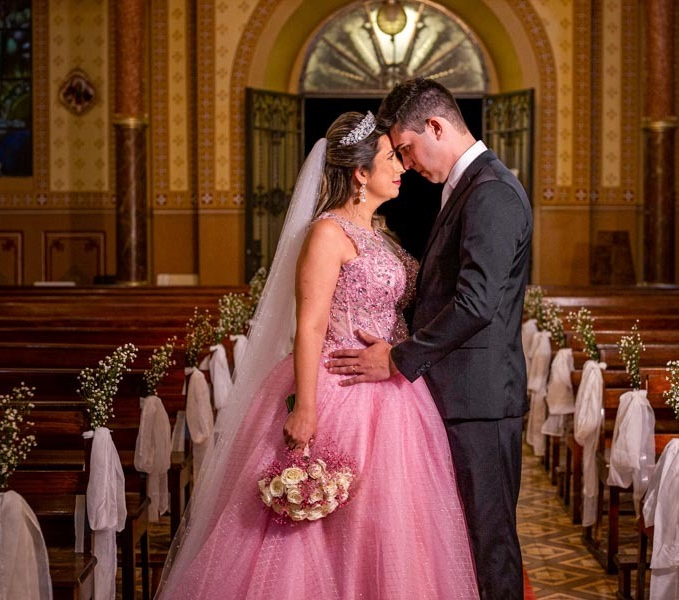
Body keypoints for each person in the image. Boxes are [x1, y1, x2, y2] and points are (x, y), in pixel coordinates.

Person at [155, 111, 479, 599]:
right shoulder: (328, 233)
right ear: (360, 173)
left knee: (391, 525)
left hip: (392, 391)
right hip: (339, 387)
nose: (402, 168)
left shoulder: (378, 233)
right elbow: (309, 325)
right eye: (392, 159)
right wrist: (305, 407)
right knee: (320, 531)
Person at [326, 79, 533, 599]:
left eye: (407, 148)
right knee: (459, 542)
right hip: (459, 395)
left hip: (480, 402)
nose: (406, 162)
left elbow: (476, 303)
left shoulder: (491, 191)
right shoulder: (466, 186)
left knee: (491, 545)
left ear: (436, 127)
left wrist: (397, 357)